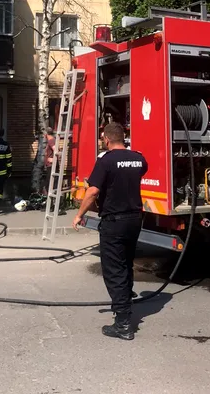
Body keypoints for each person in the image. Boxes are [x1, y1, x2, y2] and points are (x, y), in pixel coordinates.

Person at [73, 122, 148, 341]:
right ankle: (126, 301)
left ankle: (123, 324)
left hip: (114, 221)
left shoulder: (105, 160)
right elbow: (141, 171)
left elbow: (93, 191)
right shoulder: (138, 158)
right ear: (123, 137)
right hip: (134, 219)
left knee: (114, 270)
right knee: (126, 263)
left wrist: (79, 215)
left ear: (106, 139)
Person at [43, 127, 56, 196]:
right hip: (50, 166)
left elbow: (56, 150)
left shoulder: (51, 141)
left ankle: (48, 198)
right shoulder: (52, 140)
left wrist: (53, 159)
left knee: (49, 183)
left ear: (46, 134)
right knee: (48, 182)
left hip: (51, 166)